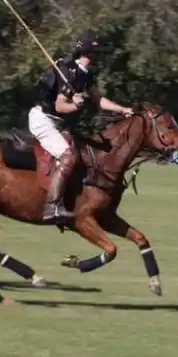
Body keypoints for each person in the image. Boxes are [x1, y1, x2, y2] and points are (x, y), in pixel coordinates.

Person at [28, 29, 133, 224]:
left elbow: (98, 100)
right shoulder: (67, 71)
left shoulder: (86, 74)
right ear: (88, 53)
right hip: (43, 119)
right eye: (98, 53)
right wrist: (75, 105)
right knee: (68, 156)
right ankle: (52, 206)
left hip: (58, 123)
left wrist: (122, 109)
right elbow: (60, 106)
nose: (100, 57)